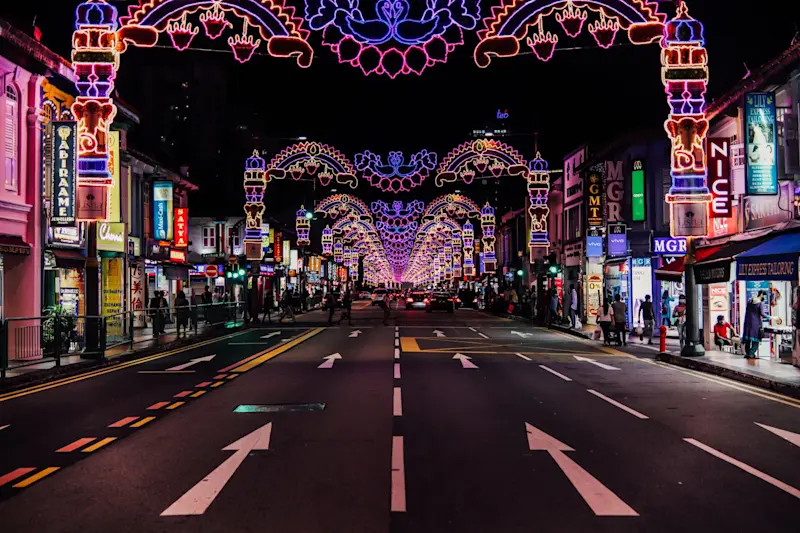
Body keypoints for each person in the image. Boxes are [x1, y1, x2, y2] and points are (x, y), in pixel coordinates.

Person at [743, 290, 768, 359]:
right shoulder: (760, 303)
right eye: (765, 295)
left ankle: (748, 353)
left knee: (748, 339)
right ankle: (751, 353)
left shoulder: (749, 301)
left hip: (747, 322)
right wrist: (771, 317)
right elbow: (762, 314)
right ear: (762, 294)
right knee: (756, 340)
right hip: (756, 323)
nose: (765, 297)